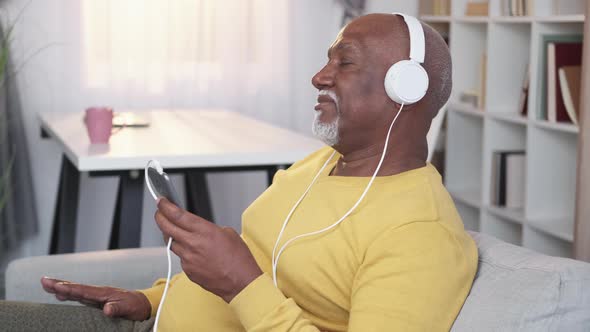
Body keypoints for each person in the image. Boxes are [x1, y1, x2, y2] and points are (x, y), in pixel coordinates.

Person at [4, 13, 478, 331]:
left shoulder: (421, 233)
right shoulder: (321, 165)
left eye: (344, 62)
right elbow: (261, 260)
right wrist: (150, 298)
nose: (319, 75)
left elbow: (247, 279)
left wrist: (241, 283)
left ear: (405, 87)